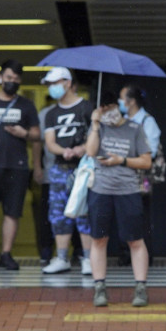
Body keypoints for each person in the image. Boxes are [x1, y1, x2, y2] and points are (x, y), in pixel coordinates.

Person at [85, 91, 152, 307]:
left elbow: (146, 162)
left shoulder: (135, 129)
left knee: (134, 239)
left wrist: (121, 160)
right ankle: (99, 287)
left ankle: (140, 288)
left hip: (128, 191)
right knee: (98, 239)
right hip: (100, 189)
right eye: (102, 109)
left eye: (109, 108)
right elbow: (90, 152)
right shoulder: (99, 127)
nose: (106, 113)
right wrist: (95, 126)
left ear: (119, 106)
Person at [0, 59, 40, 270]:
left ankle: (6, 254)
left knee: (12, 212)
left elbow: (37, 134)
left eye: (16, 79)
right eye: (9, 78)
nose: (12, 82)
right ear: (0, 78)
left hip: (17, 166)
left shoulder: (26, 105)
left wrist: (24, 133)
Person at [41, 67, 94, 275]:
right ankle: (62, 257)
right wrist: (65, 151)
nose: (53, 87)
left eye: (56, 82)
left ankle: (88, 259)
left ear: (69, 82)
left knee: (84, 213)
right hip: (58, 169)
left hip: (83, 170)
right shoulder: (51, 113)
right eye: (50, 84)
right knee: (58, 214)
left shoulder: (87, 108)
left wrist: (82, 149)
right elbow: (49, 143)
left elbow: (96, 136)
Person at [119, 84, 161, 264]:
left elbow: (149, 152)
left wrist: (125, 155)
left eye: (121, 98)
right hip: (121, 176)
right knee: (123, 215)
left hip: (141, 178)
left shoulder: (147, 121)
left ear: (131, 101)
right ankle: (126, 255)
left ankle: (145, 256)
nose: (119, 103)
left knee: (141, 215)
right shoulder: (122, 120)